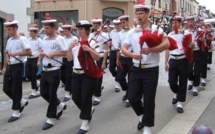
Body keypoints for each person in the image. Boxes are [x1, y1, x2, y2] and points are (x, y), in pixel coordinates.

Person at [122, 3, 170, 134]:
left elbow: (167, 43)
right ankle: (144, 115)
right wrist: (132, 54)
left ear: (148, 14)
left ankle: (148, 127)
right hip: (136, 69)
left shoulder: (156, 29)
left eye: (141, 13)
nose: (138, 16)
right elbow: (124, 49)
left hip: (151, 70)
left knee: (149, 99)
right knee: (132, 98)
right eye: (137, 14)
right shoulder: (132, 31)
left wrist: (151, 50)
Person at [67, 20, 100, 134]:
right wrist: (69, 48)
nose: (79, 31)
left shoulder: (93, 41)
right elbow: (69, 59)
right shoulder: (75, 42)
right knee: (75, 97)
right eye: (78, 29)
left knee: (85, 98)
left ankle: (85, 123)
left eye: (81, 29)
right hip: (76, 74)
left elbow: (97, 58)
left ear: (86, 30)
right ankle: (89, 110)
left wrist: (89, 49)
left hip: (88, 74)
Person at [38, 17, 68, 130]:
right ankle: (59, 105)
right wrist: (41, 54)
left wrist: (53, 54)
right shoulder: (45, 39)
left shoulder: (59, 39)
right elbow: (42, 50)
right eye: (44, 28)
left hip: (55, 70)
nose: (45, 30)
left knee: (51, 94)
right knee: (43, 93)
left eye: (47, 28)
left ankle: (51, 118)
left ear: (53, 28)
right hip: (45, 70)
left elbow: (65, 52)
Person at [2, 20, 32, 122]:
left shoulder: (22, 39)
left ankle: (16, 110)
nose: (8, 31)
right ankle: (21, 101)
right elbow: (7, 53)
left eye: (9, 29)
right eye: (7, 29)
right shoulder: (9, 40)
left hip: (18, 65)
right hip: (10, 66)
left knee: (16, 88)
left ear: (15, 28)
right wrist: (4, 67)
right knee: (6, 88)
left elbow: (29, 52)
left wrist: (17, 53)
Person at [165, 15, 190, 113]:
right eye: (172, 23)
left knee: (183, 81)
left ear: (180, 23)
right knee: (172, 82)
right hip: (173, 60)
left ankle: (180, 102)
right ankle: (176, 92)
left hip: (183, 59)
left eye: (176, 22)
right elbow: (167, 49)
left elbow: (190, 47)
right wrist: (166, 62)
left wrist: (191, 46)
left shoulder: (184, 34)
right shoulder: (169, 35)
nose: (174, 25)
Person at [90, 17, 109, 106]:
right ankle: (94, 90)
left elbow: (106, 49)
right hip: (92, 57)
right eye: (94, 25)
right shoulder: (91, 35)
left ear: (100, 25)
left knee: (98, 77)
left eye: (97, 25)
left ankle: (97, 96)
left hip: (100, 57)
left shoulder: (104, 35)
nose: (95, 27)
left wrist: (104, 62)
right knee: (91, 77)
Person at [117, 14, 132, 108]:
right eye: (121, 22)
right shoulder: (119, 34)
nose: (122, 24)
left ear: (127, 21)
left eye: (124, 22)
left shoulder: (132, 32)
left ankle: (129, 97)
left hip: (131, 57)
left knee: (131, 78)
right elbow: (119, 47)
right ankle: (127, 90)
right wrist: (118, 59)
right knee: (120, 77)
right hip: (122, 57)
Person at [186, 15, 204, 96]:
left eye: (191, 21)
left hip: (197, 52)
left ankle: (195, 87)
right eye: (188, 21)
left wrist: (202, 40)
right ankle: (190, 80)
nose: (190, 23)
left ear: (194, 21)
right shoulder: (185, 32)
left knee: (197, 70)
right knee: (189, 70)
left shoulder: (199, 31)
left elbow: (204, 41)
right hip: (189, 53)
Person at [61, 23, 78, 102]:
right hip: (62, 58)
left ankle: (67, 92)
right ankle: (69, 87)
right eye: (63, 31)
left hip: (71, 59)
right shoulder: (62, 38)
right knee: (62, 76)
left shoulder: (74, 39)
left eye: (66, 31)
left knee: (68, 75)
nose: (65, 32)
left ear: (70, 30)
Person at [27, 26, 43, 99]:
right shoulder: (28, 40)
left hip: (35, 58)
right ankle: (37, 83)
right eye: (30, 32)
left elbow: (40, 51)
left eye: (32, 33)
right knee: (27, 74)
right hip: (29, 58)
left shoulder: (39, 40)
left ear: (36, 33)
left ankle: (34, 91)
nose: (31, 34)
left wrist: (39, 60)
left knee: (33, 75)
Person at [109, 18, 122, 92]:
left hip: (120, 51)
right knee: (111, 67)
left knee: (119, 67)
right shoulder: (112, 32)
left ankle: (117, 83)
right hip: (113, 51)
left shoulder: (123, 32)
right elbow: (110, 40)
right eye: (115, 25)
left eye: (118, 25)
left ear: (120, 24)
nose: (117, 26)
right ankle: (117, 77)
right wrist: (110, 43)